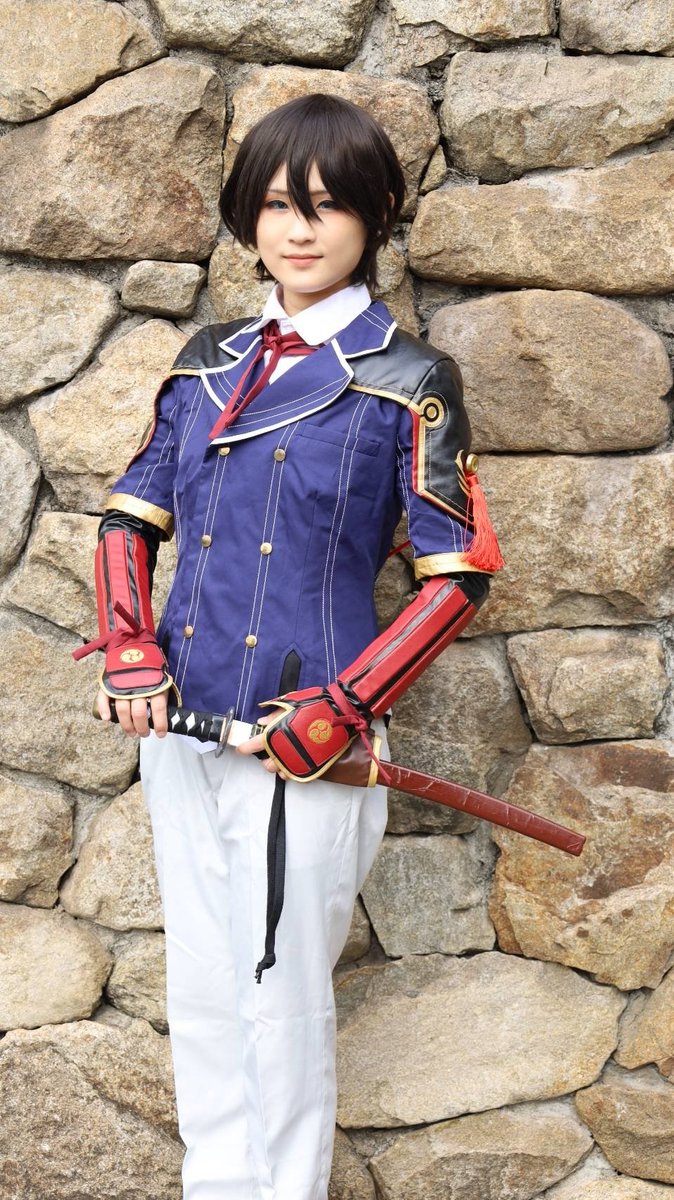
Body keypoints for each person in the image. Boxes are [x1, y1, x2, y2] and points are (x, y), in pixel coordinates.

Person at [75, 93, 503, 1200]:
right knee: (205, 992)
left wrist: (343, 708)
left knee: (280, 1002)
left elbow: (456, 576)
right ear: (246, 217)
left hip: (303, 745)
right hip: (180, 727)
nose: (297, 230)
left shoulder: (407, 379)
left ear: (373, 215)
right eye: (274, 205)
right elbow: (130, 516)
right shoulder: (205, 361)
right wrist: (129, 649)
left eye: (325, 206)